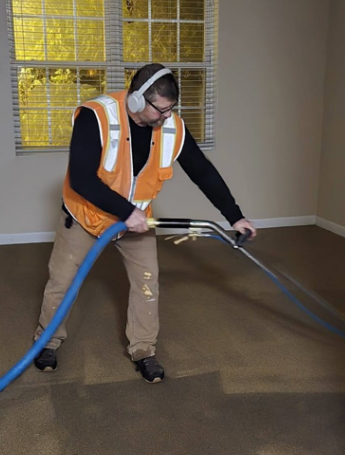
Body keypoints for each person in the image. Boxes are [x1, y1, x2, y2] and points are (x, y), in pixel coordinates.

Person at [33, 62, 256, 383]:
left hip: (136, 223)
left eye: (171, 109)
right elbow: (81, 178)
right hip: (86, 217)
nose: (167, 117)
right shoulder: (96, 116)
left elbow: (203, 172)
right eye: (161, 110)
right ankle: (47, 342)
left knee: (147, 284)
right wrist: (125, 211)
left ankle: (143, 350)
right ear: (137, 100)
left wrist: (235, 216)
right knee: (62, 282)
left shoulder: (171, 126)